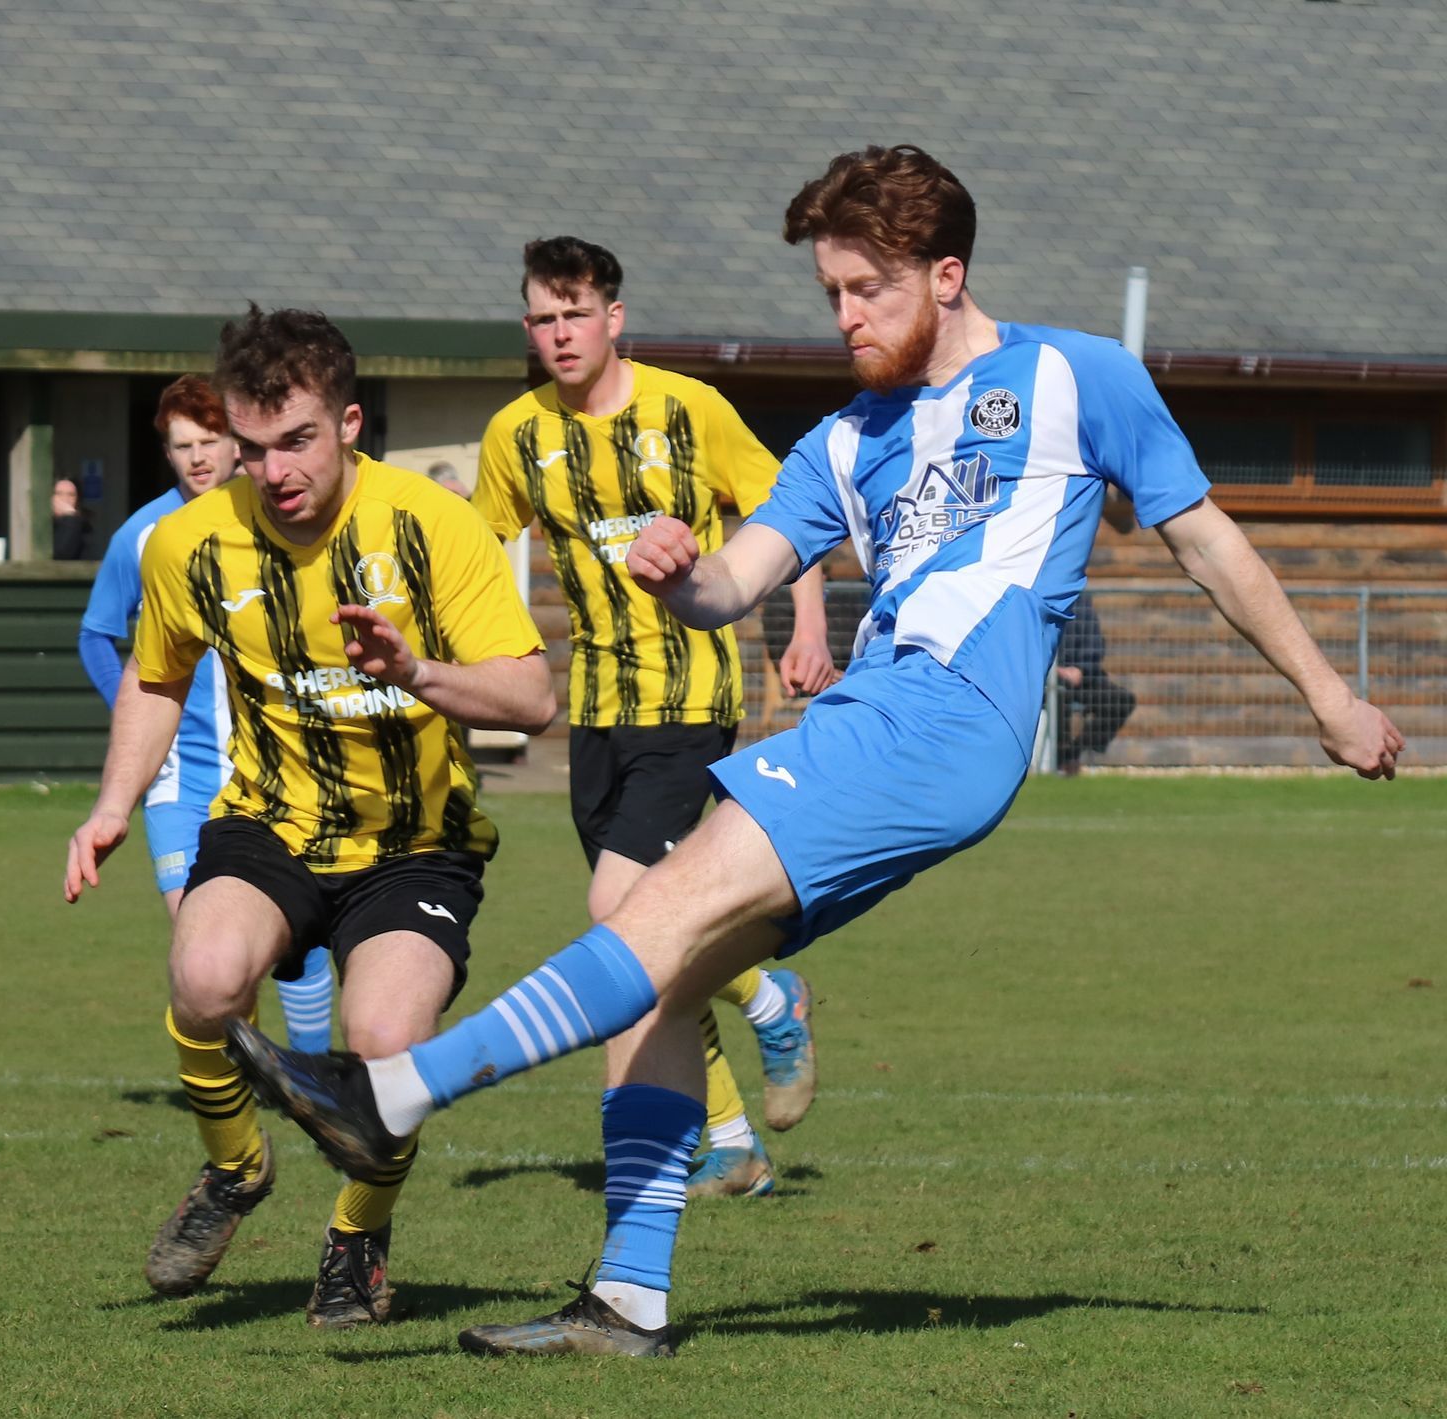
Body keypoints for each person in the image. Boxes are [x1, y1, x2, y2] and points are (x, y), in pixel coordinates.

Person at [225, 144, 1406, 1357]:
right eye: (831, 292)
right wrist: (681, 579)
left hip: (942, 716)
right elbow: (734, 583)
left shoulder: (1073, 374)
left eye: (868, 289)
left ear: (946, 275)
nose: (845, 316)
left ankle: (391, 1094)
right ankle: (626, 1302)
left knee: (652, 906)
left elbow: (1207, 541)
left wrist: (1331, 698)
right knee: (665, 983)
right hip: (872, 723)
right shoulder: (845, 439)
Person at [62, 308, 555, 1328]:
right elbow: (156, 676)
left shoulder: (431, 525)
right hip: (271, 823)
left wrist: (415, 670)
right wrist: (113, 803)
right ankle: (235, 1167)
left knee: (384, 1039)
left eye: (297, 441)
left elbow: (531, 697)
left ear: (349, 424)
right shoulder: (188, 542)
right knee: (205, 976)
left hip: (416, 842)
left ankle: (357, 1235)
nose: (274, 470)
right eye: (252, 448)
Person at [471, 236, 836, 1199]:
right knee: (648, 935)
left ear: (614, 317)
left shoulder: (690, 408)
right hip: (594, 711)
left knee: (618, 912)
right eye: (543, 318)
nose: (560, 333)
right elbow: (474, 553)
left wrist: (807, 626)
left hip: (688, 699)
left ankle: (768, 997)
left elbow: (789, 512)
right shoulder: (515, 434)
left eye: (576, 314)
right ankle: (732, 1143)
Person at [75, 375, 338, 1055]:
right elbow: (96, 634)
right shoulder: (143, 536)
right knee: (207, 953)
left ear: (236, 443)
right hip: (181, 782)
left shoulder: (280, 518)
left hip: (276, 772)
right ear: (166, 452)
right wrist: (139, 724)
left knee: (296, 944)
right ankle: (249, 1082)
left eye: (209, 440)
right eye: (181, 445)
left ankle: (311, 1078)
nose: (197, 457)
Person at [1054, 589, 1136, 774]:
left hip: (1083, 676)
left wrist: (1081, 668)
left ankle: (1071, 752)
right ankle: (1057, 755)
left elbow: (1094, 642)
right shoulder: (1034, 598)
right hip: (1046, 680)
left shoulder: (1080, 599)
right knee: (1057, 697)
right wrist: (1055, 670)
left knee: (1122, 700)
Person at [51, 477, 96, 560]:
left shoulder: (84, 528)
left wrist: (70, 516)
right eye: (58, 493)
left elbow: (64, 554)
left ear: (77, 500)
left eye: (71, 495)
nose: (65, 499)